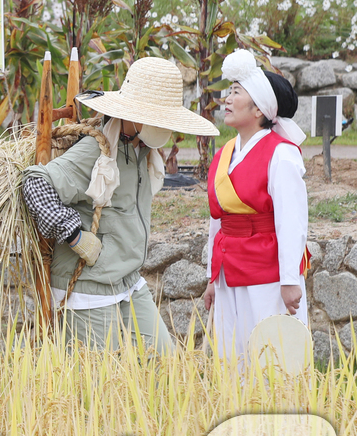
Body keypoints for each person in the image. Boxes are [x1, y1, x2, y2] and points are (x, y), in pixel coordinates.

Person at [23, 56, 219, 351]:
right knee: (98, 381)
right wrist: (74, 234)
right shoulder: (96, 149)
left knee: (162, 360)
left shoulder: (141, 150)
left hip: (127, 278)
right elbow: (34, 182)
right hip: (89, 284)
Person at [202, 50, 310, 359]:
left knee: (270, 359)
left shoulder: (282, 154)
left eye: (236, 92)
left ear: (259, 108)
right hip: (227, 272)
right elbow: (217, 221)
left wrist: (290, 280)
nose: (227, 98)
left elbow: (291, 222)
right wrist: (213, 277)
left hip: (268, 275)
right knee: (231, 359)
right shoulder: (223, 154)